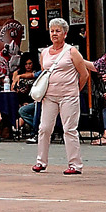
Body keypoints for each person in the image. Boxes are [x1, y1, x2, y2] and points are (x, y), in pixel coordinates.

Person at [31, 17, 90, 175]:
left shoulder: (72, 51)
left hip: (68, 96)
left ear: (65, 33)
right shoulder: (44, 52)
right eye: (52, 31)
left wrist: (75, 90)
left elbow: (84, 74)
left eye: (58, 31)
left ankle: (75, 165)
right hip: (49, 96)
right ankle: (40, 161)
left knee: (69, 129)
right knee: (44, 128)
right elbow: (45, 73)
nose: (54, 34)